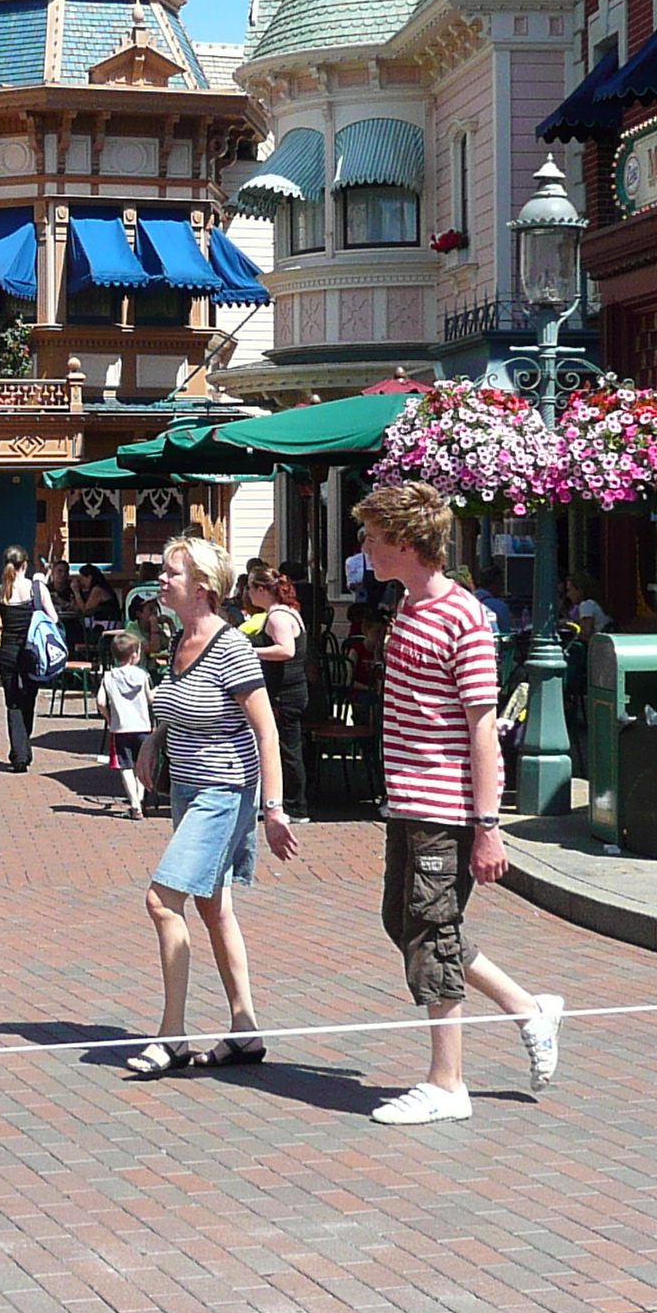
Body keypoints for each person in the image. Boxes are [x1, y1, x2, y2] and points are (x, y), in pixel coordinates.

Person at [349, 482, 564, 1124]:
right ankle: (528, 1008)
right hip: (408, 802)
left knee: (431, 932)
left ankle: (448, 1084)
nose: (363, 545)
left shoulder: (465, 616)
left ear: (406, 543)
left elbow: (481, 724)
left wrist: (488, 825)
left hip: (443, 807)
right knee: (407, 924)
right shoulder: (406, 608)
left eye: (371, 535)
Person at [124, 536, 296, 1078]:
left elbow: (266, 733)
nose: (161, 578)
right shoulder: (179, 641)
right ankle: (245, 1029)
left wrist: (273, 809)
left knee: (161, 900)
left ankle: (172, 1035)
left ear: (202, 587)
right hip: (188, 790)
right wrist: (154, 741)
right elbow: (177, 702)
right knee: (211, 905)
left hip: (225, 792)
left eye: (171, 571)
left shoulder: (231, 648)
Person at [245, 566, 313, 810]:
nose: (248, 593)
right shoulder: (284, 613)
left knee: (286, 749)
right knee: (286, 746)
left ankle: (294, 805)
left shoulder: (278, 616)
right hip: (287, 692)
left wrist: (251, 651)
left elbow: (286, 650)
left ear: (262, 589)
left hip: (285, 695)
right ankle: (290, 803)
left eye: (251, 588)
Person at [0, 546, 54, 774]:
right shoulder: (37, 589)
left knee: (12, 702)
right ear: (25, 565)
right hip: (32, 652)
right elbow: (53, 618)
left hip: (7, 651)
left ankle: (20, 752)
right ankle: (22, 748)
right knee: (29, 699)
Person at [98, 632, 154, 819]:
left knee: (126, 767)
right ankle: (141, 799)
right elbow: (150, 698)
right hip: (143, 727)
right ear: (134, 655)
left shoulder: (109, 676)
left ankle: (134, 804)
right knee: (141, 765)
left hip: (120, 728)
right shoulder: (142, 675)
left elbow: (100, 702)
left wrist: (110, 718)